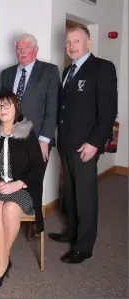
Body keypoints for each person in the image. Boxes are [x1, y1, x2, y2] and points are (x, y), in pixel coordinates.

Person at [48, 26, 118, 264]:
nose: (71, 46)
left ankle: (84, 245)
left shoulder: (102, 68)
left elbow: (108, 113)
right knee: (70, 191)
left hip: (86, 145)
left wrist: (95, 143)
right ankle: (73, 231)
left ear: (88, 42)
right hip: (67, 143)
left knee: (86, 195)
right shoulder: (67, 70)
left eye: (77, 41)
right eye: (68, 42)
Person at [0, 91, 45, 288]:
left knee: (10, 209)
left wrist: (19, 183)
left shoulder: (26, 132)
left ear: (16, 108)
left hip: (23, 187)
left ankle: (0, 263)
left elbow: (38, 166)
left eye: (7, 105)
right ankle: (4, 261)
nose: (3, 109)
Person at [0, 33, 60, 237]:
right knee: (13, 175)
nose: (22, 51)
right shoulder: (6, 74)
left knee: (35, 178)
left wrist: (45, 140)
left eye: (26, 47)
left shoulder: (49, 71)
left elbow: (52, 108)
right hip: (11, 136)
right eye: (18, 48)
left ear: (36, 49)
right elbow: (1, 106)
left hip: (37, 138)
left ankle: (36, 221)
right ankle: (13, 212)